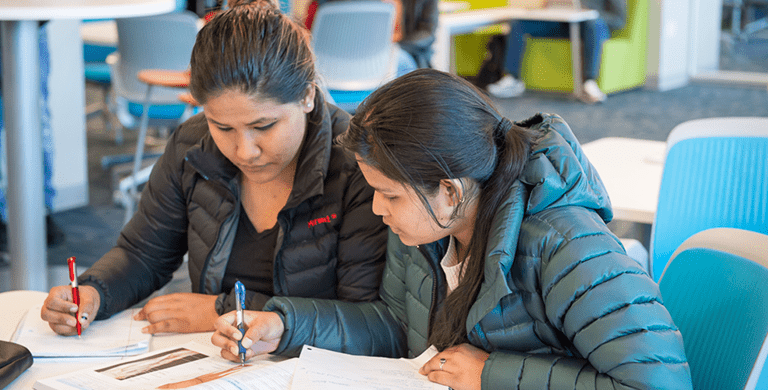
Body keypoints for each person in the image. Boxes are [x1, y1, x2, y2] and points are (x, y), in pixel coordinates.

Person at [211, 69, 693, 389]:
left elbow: (657, 384)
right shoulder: (424, 230)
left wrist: (494, 374)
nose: (377, 209)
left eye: (391, 194)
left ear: (450, 189)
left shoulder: (569, 247)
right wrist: (285, 324)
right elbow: (400, 326)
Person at [40, 3, 387, 336]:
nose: (244, 151)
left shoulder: (357, 166)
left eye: (264, 126)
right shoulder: (193, 145)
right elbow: (143, 254)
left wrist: (224, 310)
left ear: (308, 96)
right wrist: (94, 292)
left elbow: (367, 319)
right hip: (214, 357)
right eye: (222, 127)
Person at [486, 0, 627, 103]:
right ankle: (513, 79)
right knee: (518, 24)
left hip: (591, 28)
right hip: (563, 24)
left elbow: (619, 20)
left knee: (594, 24)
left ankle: (589, 82)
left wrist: (590, 14)